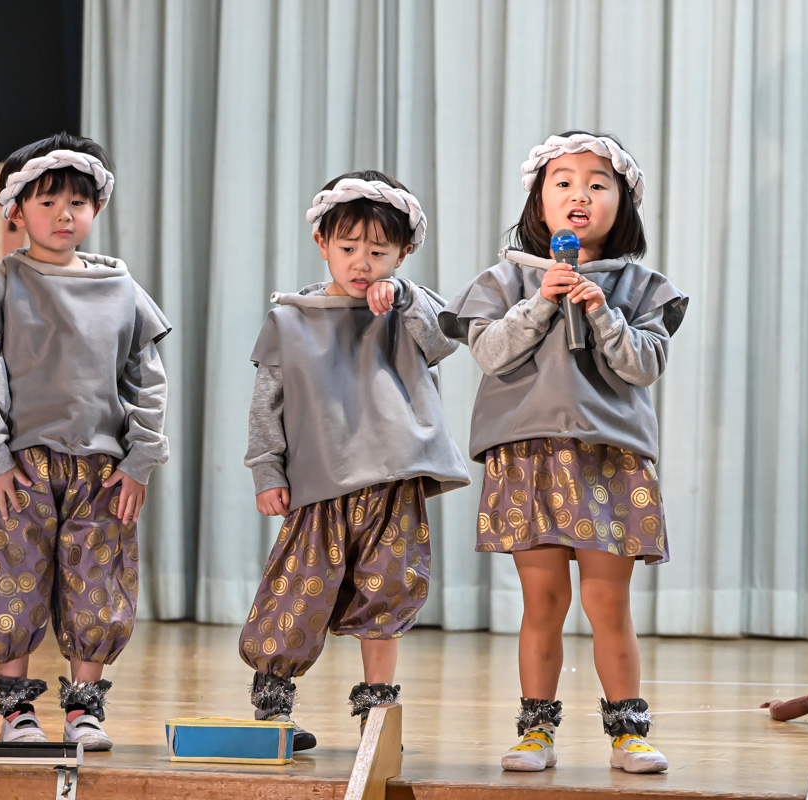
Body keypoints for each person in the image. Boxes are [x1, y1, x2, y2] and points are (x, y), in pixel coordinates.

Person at [439, 131, 687, 773]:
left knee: (608, 603)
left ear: (622, 204)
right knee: (543, 603)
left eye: (598, 184)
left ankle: (629, 732)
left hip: (610, 458)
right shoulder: (505, 279)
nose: (581, 194)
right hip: (528, 455)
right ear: (539, 201)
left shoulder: (641, 286)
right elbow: (490, 354)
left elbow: (642, 367)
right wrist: (540, 300)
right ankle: (535, 731)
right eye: (565, 182)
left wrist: (603, 310)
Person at [0, 132, 171, 750]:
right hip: (17, 467)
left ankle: (83, 709)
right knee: (9, 579)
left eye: (77, 201)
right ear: (16, 210)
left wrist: (140, 460)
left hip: (102, 468)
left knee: (98, 585)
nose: (63, 214)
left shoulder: (123, 290)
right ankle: (16, 711)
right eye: (46, 202)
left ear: (97, 207)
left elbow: (147, 382)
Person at [240, 170, 470, 750]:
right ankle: (273, 705)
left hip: (392, 479)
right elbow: (267, 402)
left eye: (378, 251)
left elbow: (446, 341)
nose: (361, 262)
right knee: (297, 589)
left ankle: (377, 710)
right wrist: (267, 469)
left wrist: (406, 297)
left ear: (404, 252)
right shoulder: (291, 318)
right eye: (347, 248)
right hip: (320, 481)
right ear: (322, 242)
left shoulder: (408, 307)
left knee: (389, 590)